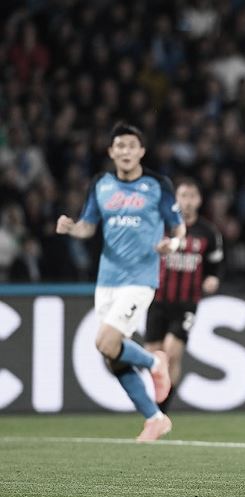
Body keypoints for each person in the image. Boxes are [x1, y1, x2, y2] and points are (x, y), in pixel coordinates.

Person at [56, 122, 185, 442]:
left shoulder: (158, 184)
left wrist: (172, 245)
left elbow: (178, 228)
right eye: (120, 146)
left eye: (132, 145)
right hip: (107, 281)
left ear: (141, 151)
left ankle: (155, 362)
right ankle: (155, 418)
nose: (126, 151)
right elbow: (88, 226)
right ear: (111, 152)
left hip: (140, 279)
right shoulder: (101, 183)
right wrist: (72, 228)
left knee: (106, 341)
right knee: (111, 355)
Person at [144, 178, 223, 413]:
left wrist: (213, 278)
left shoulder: (208, 231)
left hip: (186, 302)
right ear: (176, 199)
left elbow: (216, 264)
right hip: (157, 301)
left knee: (171, 353)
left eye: (192, 196)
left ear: (198, 200)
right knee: (154, 357)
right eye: (183, 196)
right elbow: (141, 253)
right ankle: (158, 401)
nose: (188, 201)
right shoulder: (162, 226)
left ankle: (161, 409)